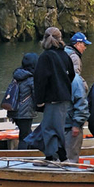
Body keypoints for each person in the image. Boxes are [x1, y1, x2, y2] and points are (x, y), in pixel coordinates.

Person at [32, 29, 75, 163]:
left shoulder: (45, 57)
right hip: (63, 97)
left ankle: (58, 157)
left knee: (50, 128)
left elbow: (40, 80)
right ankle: (53, 156)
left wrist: (39, 101)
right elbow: (72, 75)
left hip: (51, 98)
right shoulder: (65, 55)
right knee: (54, 127)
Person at [1, 53, 39, 143]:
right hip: (25, 113)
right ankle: (22, 155)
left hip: (14, 110)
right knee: (25, 137)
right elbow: (36, 96)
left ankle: (30, 154)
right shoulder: (31, 79)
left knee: (27, 134)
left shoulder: (17, 75)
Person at [65, 69, 90, 165]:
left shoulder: (75, 81)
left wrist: (76, 124)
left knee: (71, 160)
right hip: (61, 125)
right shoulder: (57, 76)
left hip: (71, 126)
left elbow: (82, 104)